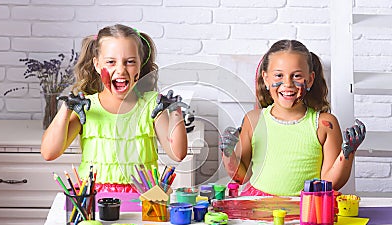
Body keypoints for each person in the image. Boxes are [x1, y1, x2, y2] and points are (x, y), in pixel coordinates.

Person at [41, 24, 188, 193]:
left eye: (130, 62)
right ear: (97, 64)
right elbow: (49, 153)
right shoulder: (86, 107)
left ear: (140, 64)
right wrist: (66, 109)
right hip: (94, 201)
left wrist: (176, 112)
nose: (121, 70)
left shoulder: (152, 105)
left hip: (144, 200)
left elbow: (177, 154)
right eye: (111, 62)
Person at [220, 39, 366, 196]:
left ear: (310, 79)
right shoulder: (253, 121)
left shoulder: (324, 124)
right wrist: (228, 154)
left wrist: (348, 153)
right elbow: (242, 177)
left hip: (307, 209)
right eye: (278, 75)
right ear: (266, 78)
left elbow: (330, 183)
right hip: (259, 208)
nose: (287, 83)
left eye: (296, 76)